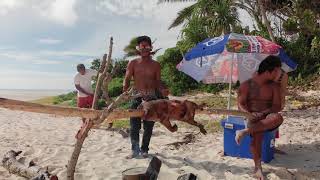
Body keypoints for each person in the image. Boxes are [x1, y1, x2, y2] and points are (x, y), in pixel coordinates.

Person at [236, 55, 284, 179]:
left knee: (278, 117)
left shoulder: (274, 86)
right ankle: (258, 168)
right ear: (271, 71)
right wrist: (249, 114)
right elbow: (240, 105)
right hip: (251, 116)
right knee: (258, 133)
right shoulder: (246, 85)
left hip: (268, 116)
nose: (280, 74)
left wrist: (263, 113)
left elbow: (277, 106)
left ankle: (244, 132)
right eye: (278, 71)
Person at [123, 35, 165, 159]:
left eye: (147, 46)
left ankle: (145, 149)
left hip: (152, 97)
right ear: (138, 48)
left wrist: (163, 90)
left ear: (151, 47)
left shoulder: (156, 65)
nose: (145, 48)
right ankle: (135, 151)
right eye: (142, 46)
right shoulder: (133, 63)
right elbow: (126, 79)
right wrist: (125, 92)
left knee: (148, 126)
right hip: (136, 96)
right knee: (134, 126)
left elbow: (158, 81)